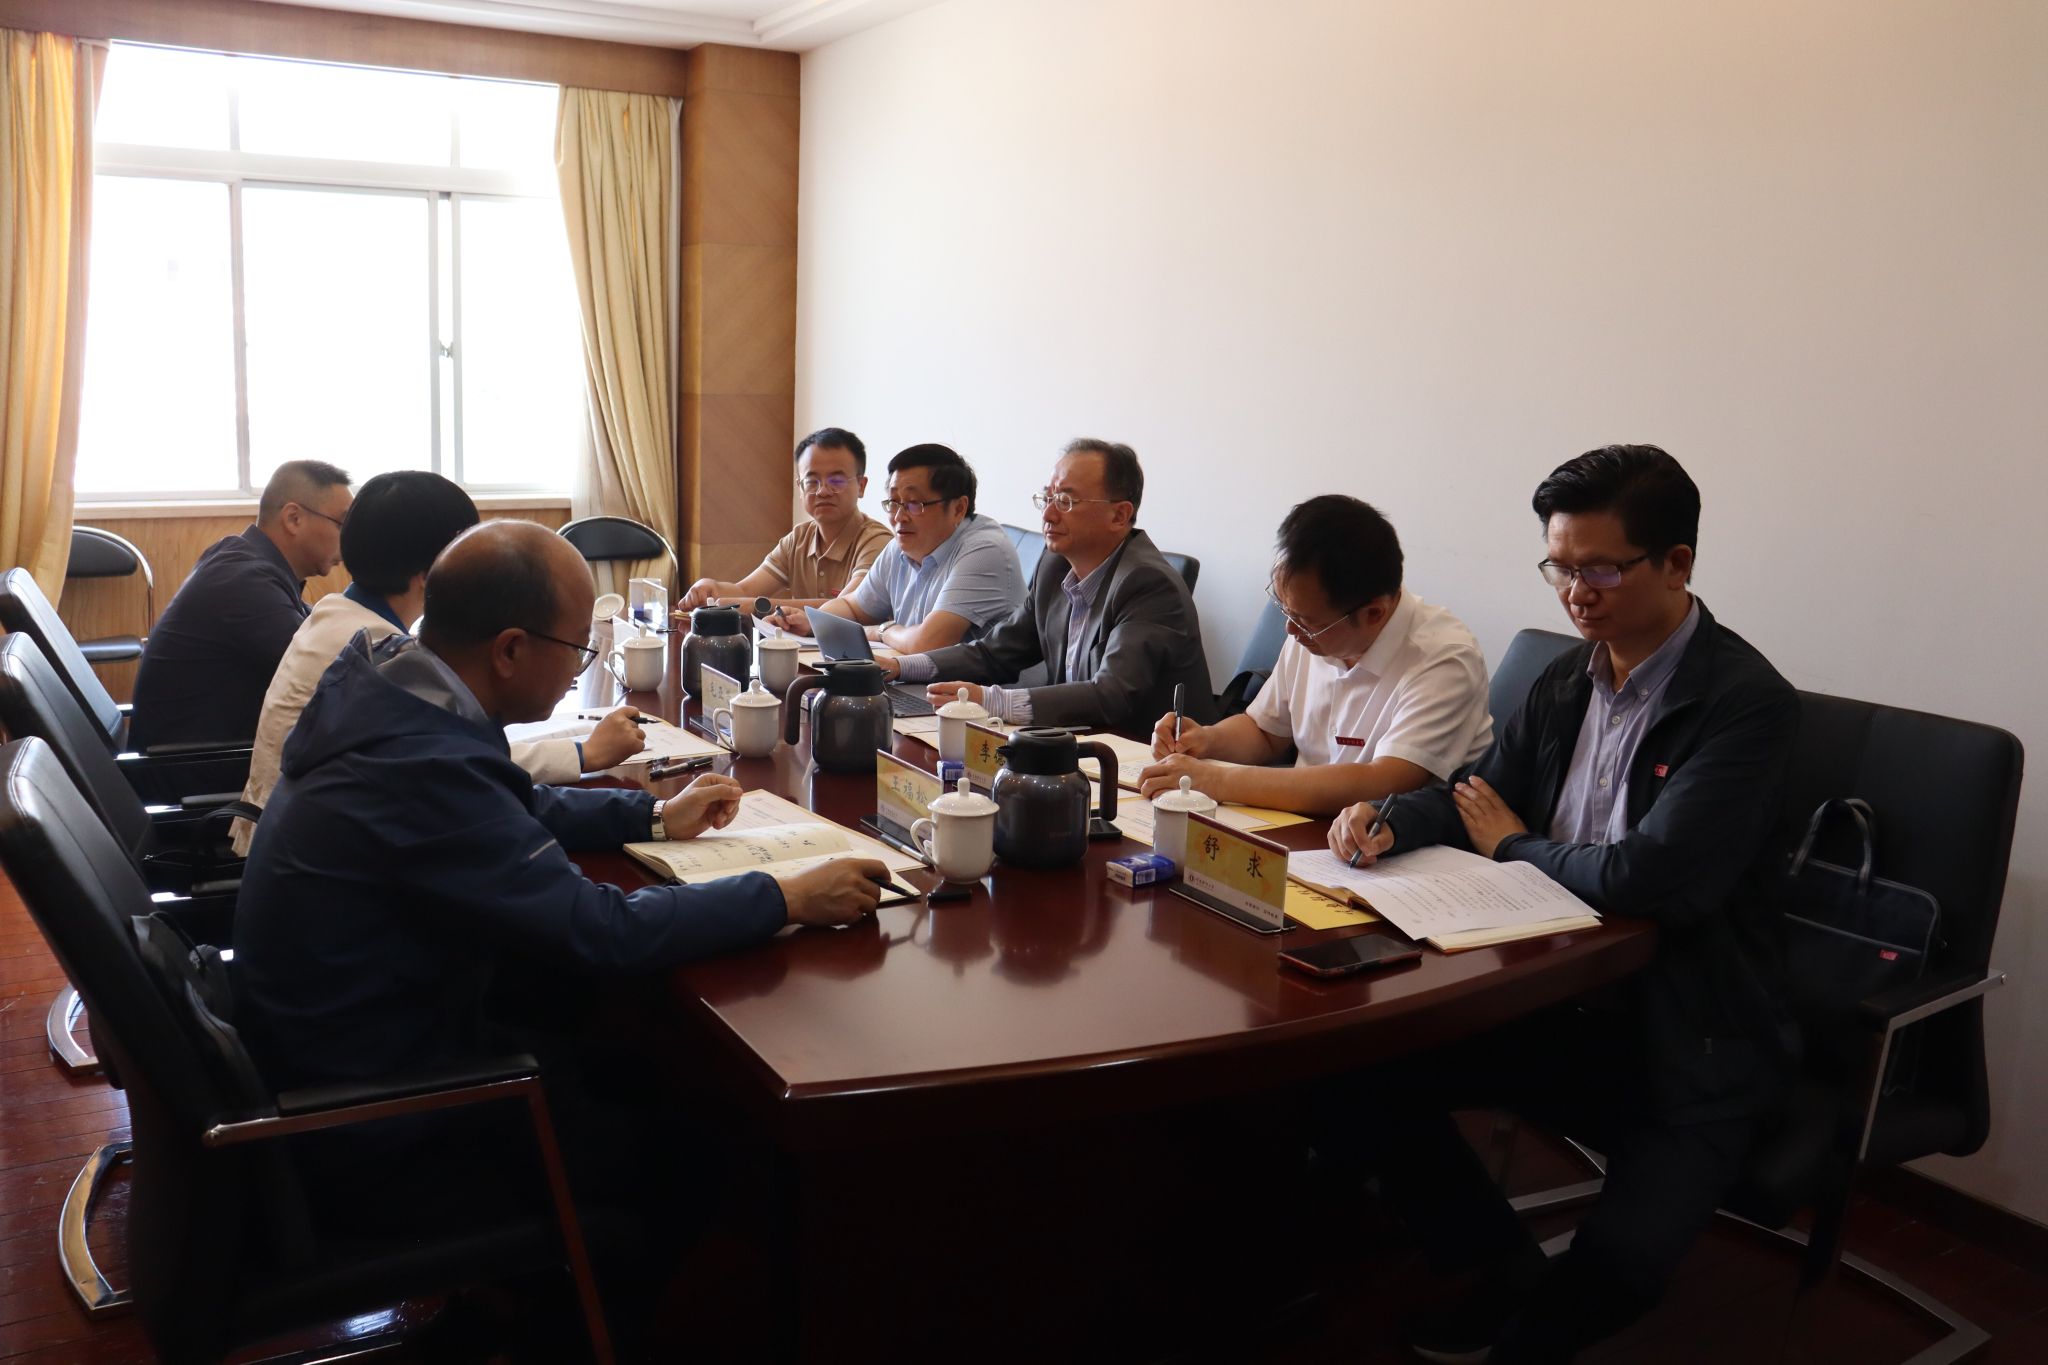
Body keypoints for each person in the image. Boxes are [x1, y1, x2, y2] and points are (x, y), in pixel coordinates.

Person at [234, 520, 887, 1350]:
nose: (581, 668)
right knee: (697, 1149)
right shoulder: (418, 761)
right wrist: (783, 893)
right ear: (510, 649)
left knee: (632, 1055)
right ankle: (571, 1330)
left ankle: (532, 1295)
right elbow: (600, 928)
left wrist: (653, 813)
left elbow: (505, 802)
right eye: (577, 649)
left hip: (359, 1053)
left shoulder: (394, 686)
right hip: (384, 1127)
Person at [1319, 445, 1800, 1364]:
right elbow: (1479, 797)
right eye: (1560, 567)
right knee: (1359, 1075)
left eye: (1602, 569)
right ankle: (1502, 1268)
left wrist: (1512, 846)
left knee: (1622, 1265)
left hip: (1690, 1035)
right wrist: (1389, 817)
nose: (1578, 593)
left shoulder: (1747, 707)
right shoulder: (1567, 676)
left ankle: (1531, 1330)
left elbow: (1648, 878)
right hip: (1557, 999)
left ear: (1677, 563)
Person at [231, 472, 646, 855]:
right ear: (439, 567)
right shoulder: (376, 651)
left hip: (293, 841)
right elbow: (457, 768)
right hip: (323, 856)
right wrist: (584, 752)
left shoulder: (336, 613)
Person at [1138, 494, 1490, 815]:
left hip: (1391, 846)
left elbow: (1383, 782)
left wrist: (1215, 780)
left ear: (1374, 613)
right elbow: (1266, 732)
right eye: (1284, 609)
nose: (1290, 630)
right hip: (1300, 827)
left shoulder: (1445, 659)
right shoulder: (1313, 628)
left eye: (1305, 621)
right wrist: (1206, 740)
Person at [878, 439, 1215, 730]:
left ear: (1119, 516)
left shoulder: (1148, 584)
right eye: (1047, 498)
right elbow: (995, 652)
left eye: (1065, 501)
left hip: (1147, 759)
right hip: (1072, 745)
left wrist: (991, 700)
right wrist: (900, 667)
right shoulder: (1055, 567)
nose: (1048, 515)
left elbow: (1111, 695)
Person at [129, 460, 353, 749]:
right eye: (343, 525)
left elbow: (317, 635)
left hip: (209, 755)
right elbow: (328, 673)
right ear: (294, 519)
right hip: (196, 766)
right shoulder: (243, 582)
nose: (350, 539)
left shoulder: (244, 560)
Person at [771, 443, 1024, 653]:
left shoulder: (984, 551)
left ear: (958, 508)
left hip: (985, 696)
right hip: (922, 684)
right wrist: (813, 622)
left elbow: (928, 643)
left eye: (914, 504)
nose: (899, 517)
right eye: (893, 503)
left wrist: (881, 631)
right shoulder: (900, 546)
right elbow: (853, 607)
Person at [675, 427, 891, 615]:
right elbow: (744, 591)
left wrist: (759, 606)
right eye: (812, 481)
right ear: (800, 488)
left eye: (836, 480)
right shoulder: (799, 539)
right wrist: (711, 588)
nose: (823, 491)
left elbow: (846, 607)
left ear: (861, 486)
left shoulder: (877, 542)